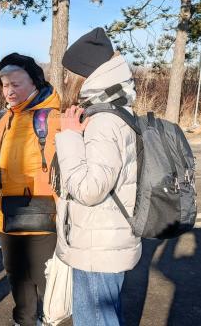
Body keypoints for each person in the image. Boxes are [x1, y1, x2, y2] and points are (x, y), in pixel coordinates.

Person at [54, 27, 142, 326]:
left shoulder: (103, 121)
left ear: (84, 76)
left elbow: (90, 189)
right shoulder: (117, 109)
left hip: (98, 246)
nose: (65, 81)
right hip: (107, 240)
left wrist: (67, 137)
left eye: (69, 74)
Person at [0, 53, 61, 326]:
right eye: (4, 85)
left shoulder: (52, 119)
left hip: (43, 220)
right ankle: (24, 321)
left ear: (35, 82)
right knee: (17, 278)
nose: (9, 91)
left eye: (16, 83)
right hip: (9, 218)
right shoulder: (5, 120)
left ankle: (50, 321)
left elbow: (67, 173)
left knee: (48, 285)